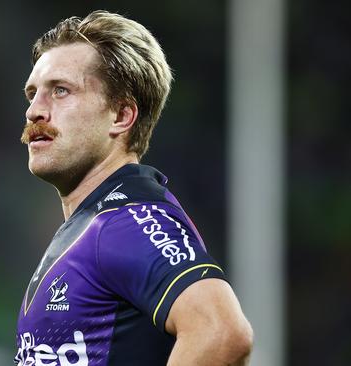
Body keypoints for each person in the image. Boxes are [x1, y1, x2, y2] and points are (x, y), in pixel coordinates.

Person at [14, 10, 253, 366]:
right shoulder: (89, 225)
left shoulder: (124, 221)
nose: (35, 111)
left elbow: (222, 332)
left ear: (121, 116)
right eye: (32, 94)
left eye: (60, 91)